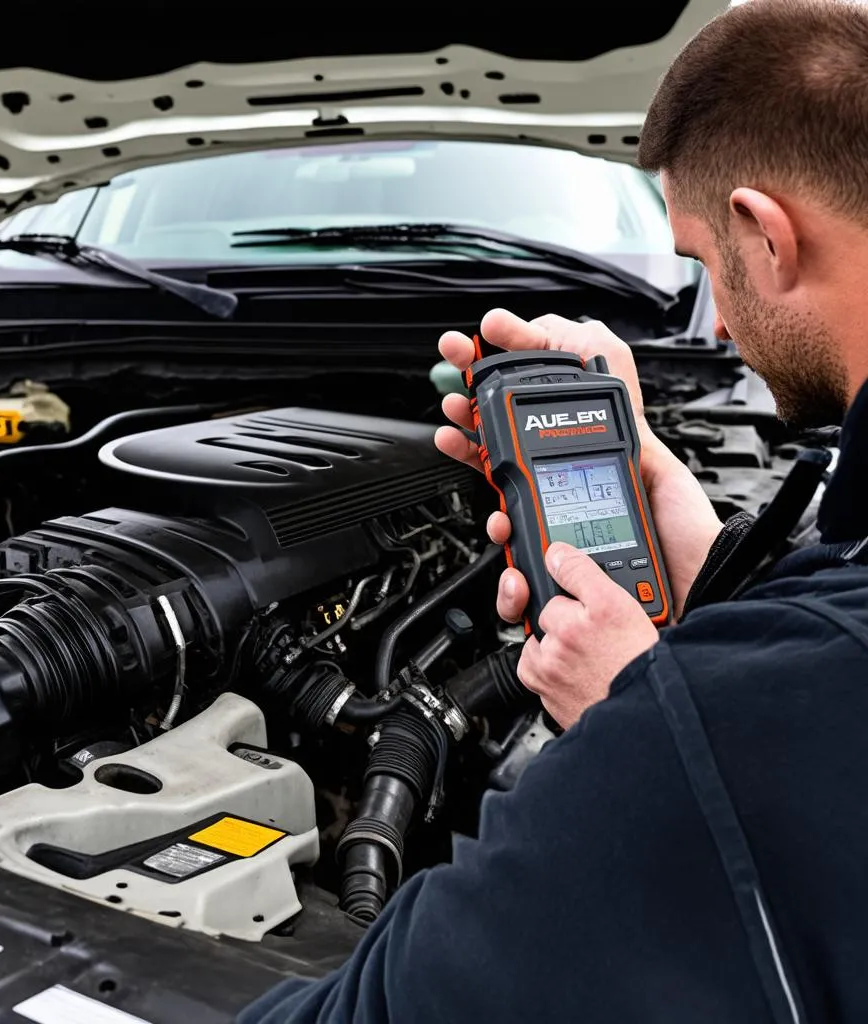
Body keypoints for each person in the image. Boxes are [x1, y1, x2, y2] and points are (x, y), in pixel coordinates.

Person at [238, 1, 868, 1020]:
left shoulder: (713, 731)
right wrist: (714, 570)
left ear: (764, 233)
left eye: (705, 265)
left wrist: (653, 712)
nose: (717, 312)